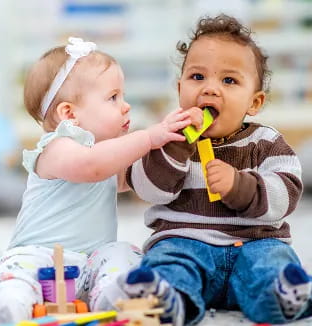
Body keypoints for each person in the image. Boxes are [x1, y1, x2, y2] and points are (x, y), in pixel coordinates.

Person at [0, 37, 191, 326]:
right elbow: (92, 166)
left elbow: (138, 177)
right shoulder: (57, 147)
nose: (126, 106)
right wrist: (148, 137)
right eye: (113, 97)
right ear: (69, 114)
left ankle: (116, 295)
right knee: (20, 284)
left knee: (122, 251)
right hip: (38, 257)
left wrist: (170, 150)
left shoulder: (105, 154)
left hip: (91, 263)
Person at [118, 14, 310, 325]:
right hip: (185, 242)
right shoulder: (165, 137)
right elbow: (147, 188)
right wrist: (176, 148)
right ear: (179, 87)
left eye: (229, 81)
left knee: (270, 262)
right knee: (168, 261)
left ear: (255, 102)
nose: (210, 90)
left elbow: (287, 194)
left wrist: (240, 186)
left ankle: (281, 296)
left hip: (253, 242)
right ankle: (166, 298)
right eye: (197, 77)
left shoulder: (266, 142)